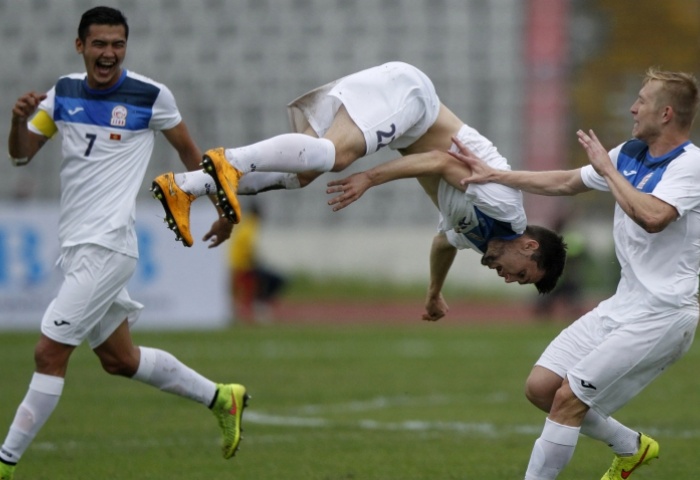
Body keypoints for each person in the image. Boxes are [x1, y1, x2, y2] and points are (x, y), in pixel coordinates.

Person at [0, 7, 248, 480]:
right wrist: (17, 122)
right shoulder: (64, 92)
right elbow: (20, 156)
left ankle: (5, 463)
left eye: (117, 44)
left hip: (109, 245)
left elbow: (190, 153)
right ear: (81, 47)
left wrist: (222, 208)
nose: (109, 53)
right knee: (119, 359)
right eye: (99, 44)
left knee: (48, 354)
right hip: (76, 246)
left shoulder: (152, 96)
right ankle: (222, 398)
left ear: (125, 47)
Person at [153, 62, 567, 320]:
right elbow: (442, 161)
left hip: (403, 117)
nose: (510, 280)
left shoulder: (482, 239)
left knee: (303, 174)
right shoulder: (506, 210)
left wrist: (433, 294)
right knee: (336, 158)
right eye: (523, 275)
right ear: (529, 246)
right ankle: (226, 164)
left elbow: (443, 243)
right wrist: (370, 178)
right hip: (412, 98)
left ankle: (186, 186)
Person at [452, 67, 700, 479]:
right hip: (625, 303)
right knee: (542, 388)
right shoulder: (631, 154)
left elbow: (653, 217)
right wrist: (495, 174)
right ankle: (631, 448)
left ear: (666, 114)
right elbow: (567, 181)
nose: (633, 107)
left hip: (665, 313)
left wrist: (609, 170)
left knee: (569, 398)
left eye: (642, 100)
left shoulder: (691, 166)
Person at [228, 201, 287, 324]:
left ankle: (259, 303)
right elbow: (249, 247)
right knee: (276, 280)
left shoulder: (245, 223)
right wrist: (257, 262)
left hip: (237, 263)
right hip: (244, 265)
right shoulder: (252, 225)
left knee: (265, 277)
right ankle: (261, 304)